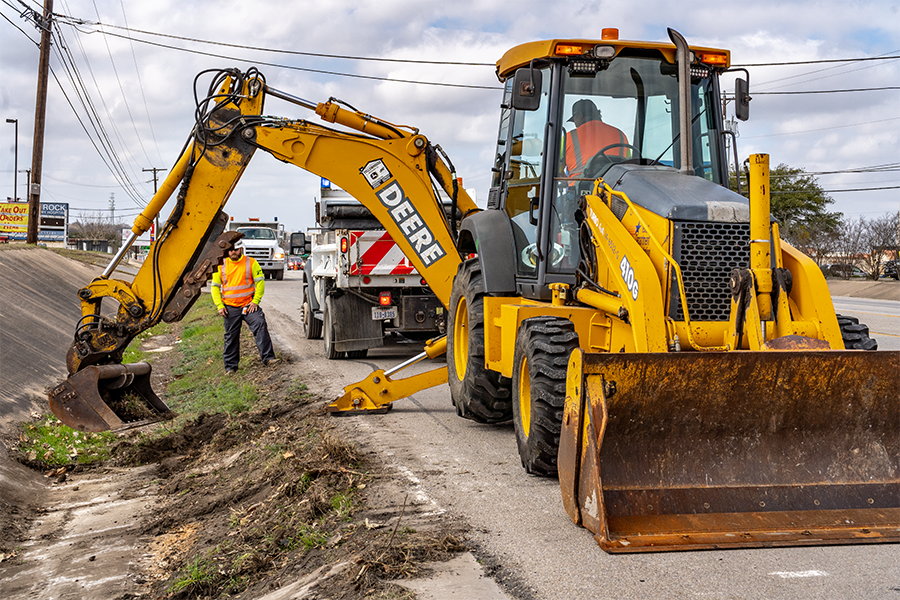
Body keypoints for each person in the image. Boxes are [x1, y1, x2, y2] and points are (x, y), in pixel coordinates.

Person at [211, 239, 280, 374]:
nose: (233, 252)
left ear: (241, 249)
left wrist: (255, 302)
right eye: (230, 249)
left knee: (260, 324)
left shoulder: (251, 262)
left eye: (236, 249)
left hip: (249, 306)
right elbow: (215, 287)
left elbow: (260, 282)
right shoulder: (221, 265)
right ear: (227, 250)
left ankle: (269, 358)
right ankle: (231, 367)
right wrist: (220, 305)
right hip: (230, 307)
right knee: (231, 336)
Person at [563, 98, 630, 180]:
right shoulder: (621, 135)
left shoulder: (568, 137)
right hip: (615, 189)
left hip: (579, 190)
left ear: (579, 115)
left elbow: (556, 168)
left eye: (575, 120)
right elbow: (628, 165)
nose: (575, 124)